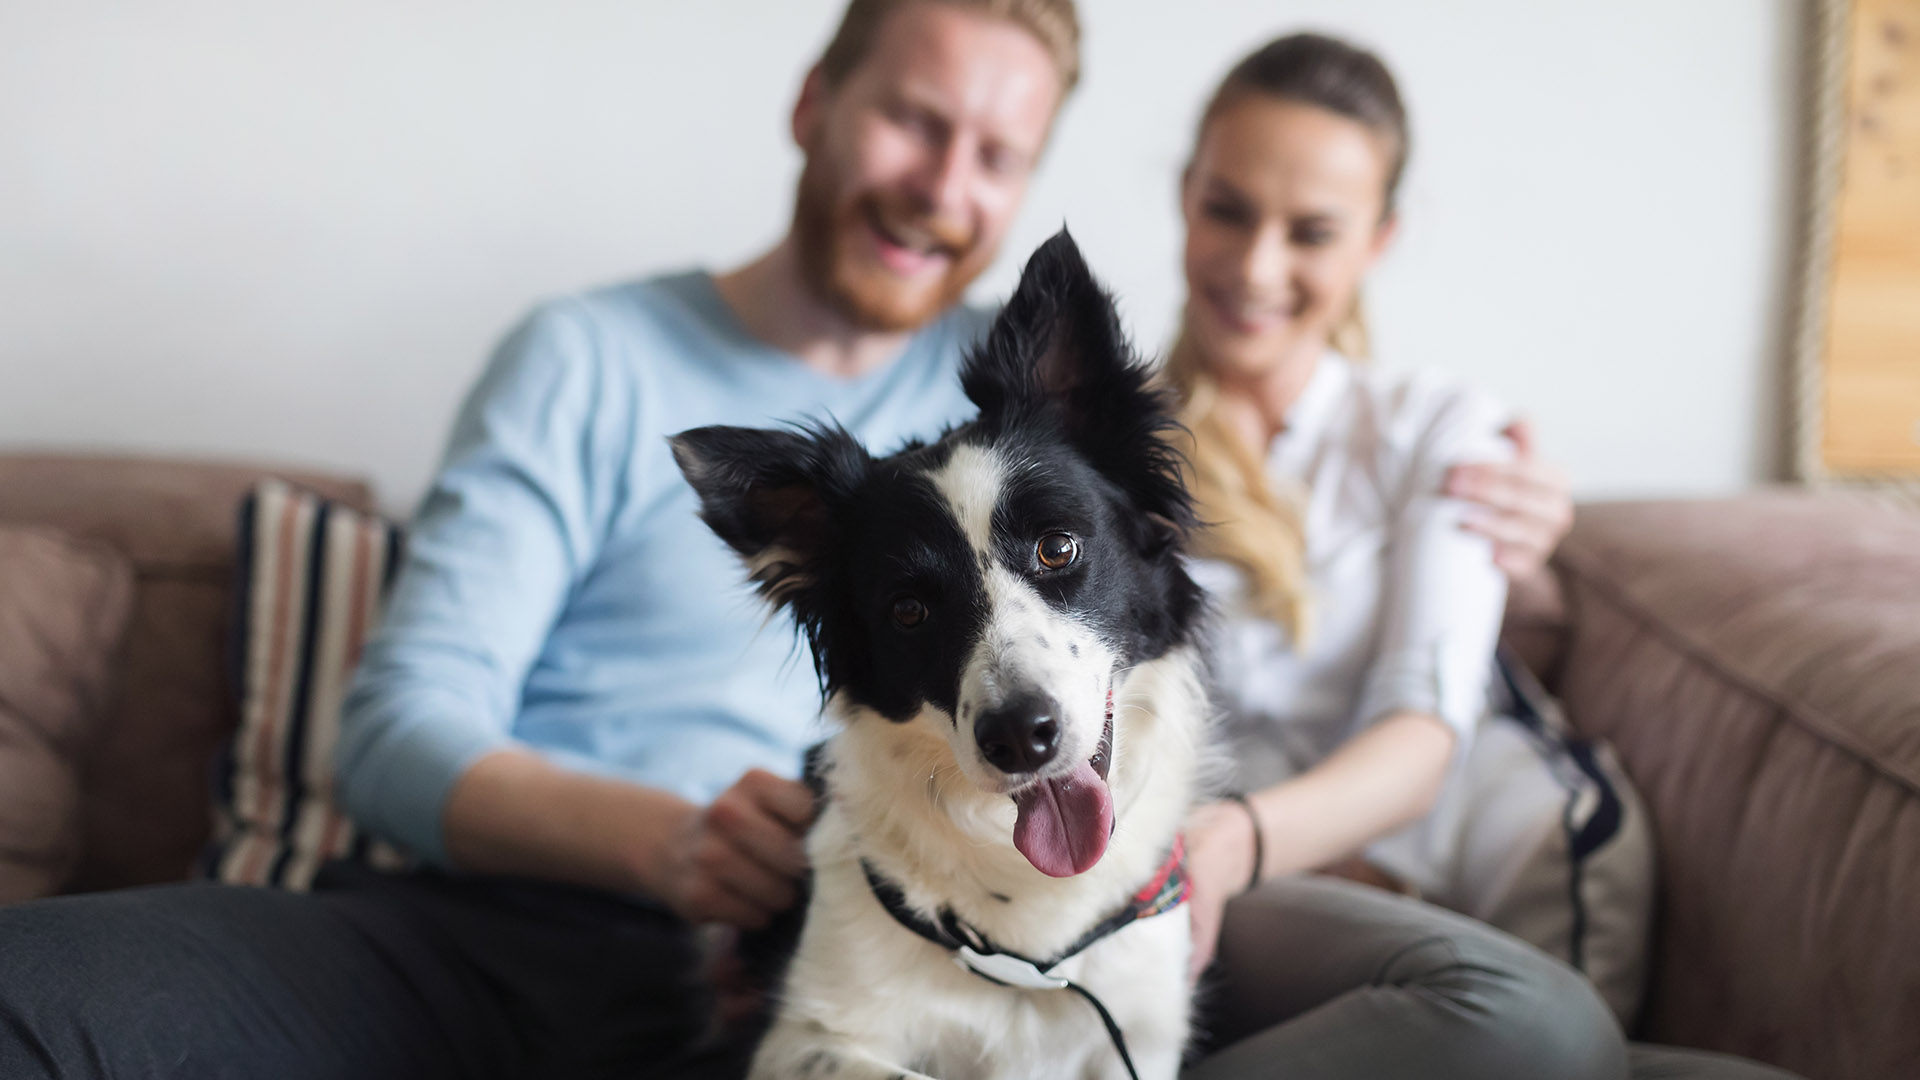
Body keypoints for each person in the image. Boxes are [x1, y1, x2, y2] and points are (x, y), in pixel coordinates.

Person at [0, 4, 1573, 1078]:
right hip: (494, 935)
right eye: (913, 118)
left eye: (997, 157)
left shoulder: (1009, 399)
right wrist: (661, 843)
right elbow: (396, 724)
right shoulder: (591, 356)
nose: (944, 187)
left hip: (860, 961)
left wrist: (1522, 531)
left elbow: (1208, 461)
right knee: (47, 998)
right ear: (817, 100)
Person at [1164, 33, 1801, 1080]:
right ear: (1187, 194)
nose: (1255, 268)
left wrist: (1247, 834)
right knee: (1539, 1033)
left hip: (1325, 874)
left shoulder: (1436, 429)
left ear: (1380, 239)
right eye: (1227, 210)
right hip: (1218, 903)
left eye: (1312, 232)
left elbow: (1423, 735)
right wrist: (1229, 851)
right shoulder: (1103, 451)